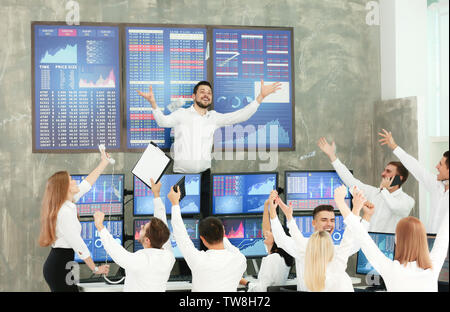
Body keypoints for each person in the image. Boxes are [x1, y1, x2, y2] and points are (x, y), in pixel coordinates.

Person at [138, 80, 281, 215]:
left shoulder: (214, 117)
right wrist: (153, 104)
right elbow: (163, 121)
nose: (206, 95)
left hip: (204, 177)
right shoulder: (182, 114)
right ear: (194, 96)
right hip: (181, 177)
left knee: (206, 217)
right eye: (202, 91)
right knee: (180, 217)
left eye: (209, 93)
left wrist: (260, 97)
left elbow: (240, 116)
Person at [336, 185, 449, 292]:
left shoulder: (391, 269)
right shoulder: (432, 268)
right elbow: (444, 233)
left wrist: (342, 203)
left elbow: (361, 236)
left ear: (397, 240)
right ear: (423, 241)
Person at [269, 190, 374, 291]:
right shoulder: (309, 248)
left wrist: (367, 215)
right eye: (324, 220)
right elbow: (282, 238)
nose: (329, 224)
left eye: (332, 220)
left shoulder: (310, 248)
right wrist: (356, 209)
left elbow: (355, 243)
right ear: (314, 223)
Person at [39, 149, 111, 292]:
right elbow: (80, 246)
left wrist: (104, 163)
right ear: (63, 188)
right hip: (59, 267)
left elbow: (87, 184)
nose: (75, 182)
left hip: (62, 263)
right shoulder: (64, 212)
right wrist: (95, 269)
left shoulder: (67, 204)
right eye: (71, 180)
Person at [318, 137, 415, 233]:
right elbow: (350, 180)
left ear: (400, 178)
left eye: (388, 171)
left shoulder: (408, 200)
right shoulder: (373, 192)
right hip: (366, 243)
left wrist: (384, 190)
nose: (383, 174)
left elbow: (395, 207)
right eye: (384, 170)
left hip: (389, 246)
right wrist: (332, 156)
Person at [93, 179, 175, 292]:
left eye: (143, 228)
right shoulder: (169, 257)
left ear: (147, 240)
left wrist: (100, 226)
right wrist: (156, 194)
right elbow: (162, 226)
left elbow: (117, 252)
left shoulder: (142, 260)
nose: (140, 227)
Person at [168, 186, 247, 292]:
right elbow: (232, 248)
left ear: (202, 239)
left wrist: (175, 204)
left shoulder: (199, 260)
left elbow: (181, 236)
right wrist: (221, 233)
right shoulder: (239, 260)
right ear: (223, 233)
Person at [379, 129, 449, 233]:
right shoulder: (436, 185)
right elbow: (415, 167)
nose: (436, 166)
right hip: (430, 244)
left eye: (441, 164)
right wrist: (394, 146)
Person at [239, 194, 294, 292]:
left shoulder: (273, 259)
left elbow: (262, 289)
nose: (266, 233)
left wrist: (244, 282)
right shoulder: (279, 256)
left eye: (271, 231)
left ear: (277, 239)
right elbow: (266, 229)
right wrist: (266, 206)